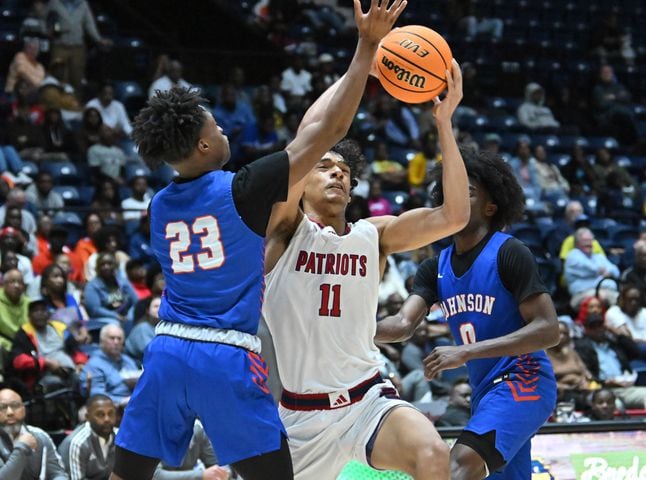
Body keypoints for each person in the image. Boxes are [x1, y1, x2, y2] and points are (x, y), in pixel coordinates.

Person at [110, 2, 408, 479]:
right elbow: (327, 130)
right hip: (225, 353)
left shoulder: (160, 205)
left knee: (126, 473)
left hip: (166, 350)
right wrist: (366, 46)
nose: (224, 128)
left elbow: (311, 130)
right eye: (216, 126)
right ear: (205, 146)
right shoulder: (243, 190)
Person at [262, 55, 467, 478]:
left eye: (344, 171)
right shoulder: (282, 232)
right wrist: (361, 68)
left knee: (433, 454)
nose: (336, 173)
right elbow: (308, 137)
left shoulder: (374, 236)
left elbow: (455, 217)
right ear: (303, 179)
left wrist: (444, 124)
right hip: (301, 417)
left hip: (368, 399)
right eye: (324, 167)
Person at [375, 150, 560, 479]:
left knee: (457, 467)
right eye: (451, 193)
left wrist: (466, 352)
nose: (456, 198)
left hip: (523, 382)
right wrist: (350, 328)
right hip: (485, 392)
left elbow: (548, 330)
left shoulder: (508, 251)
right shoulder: (435, 267)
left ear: (491, 207)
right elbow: (402, 325)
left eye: (469, 192)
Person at [0, 388, 68, 479]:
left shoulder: (39, 435)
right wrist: (22, 447)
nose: (10, 412)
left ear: (24, 409)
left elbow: (57, 473)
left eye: (15, 406)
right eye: (2, 407)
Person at [46, 0, 112, 92]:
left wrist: (98, 39)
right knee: (58, 77)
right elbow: (44, 19)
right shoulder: (54, 2)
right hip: (59, 45)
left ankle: (76, 104)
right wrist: (47, 31)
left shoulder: (83, 4)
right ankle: (58, 103)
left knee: (77, 79)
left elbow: (89, 23)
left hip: (77, 47)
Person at [58, 394, 117, 480]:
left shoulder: (122, 439)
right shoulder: (77, 443)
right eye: (100, 415)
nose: (107, 419)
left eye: (111, 414)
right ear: (87, 417)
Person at [80, 324, 140, 406]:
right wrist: (122, 401)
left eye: (119, 339)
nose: (116, 342)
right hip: (112, 409)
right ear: (102, 341)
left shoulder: (128, 361)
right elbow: (97, 397)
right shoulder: (94, 365)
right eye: (112, 338)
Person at [563, 227, 620, 309]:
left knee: (624, 298)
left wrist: (607, 271)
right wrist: (600, 271)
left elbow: (616, 271)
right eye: (585, 241)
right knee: (602, 298)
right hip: (582, 294)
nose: (589, 244)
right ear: (577, 243)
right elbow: (588, 268)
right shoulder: (573, 255)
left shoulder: (598, 257)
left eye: (590, 241)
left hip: (607, 291)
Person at [153, 421, 230, 480]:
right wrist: (201, 475)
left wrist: (222, 472)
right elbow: (155, 475)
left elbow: (217, 465)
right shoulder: (154, 434)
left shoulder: (198, 431)